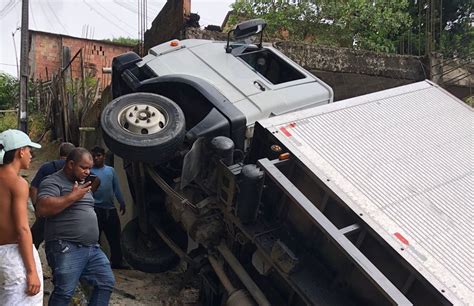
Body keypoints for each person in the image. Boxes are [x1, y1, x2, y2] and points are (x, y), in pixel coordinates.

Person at [36, 147, 115, 306]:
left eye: (90, 168)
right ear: (71, 164)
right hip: (66, 245)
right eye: (84, 167)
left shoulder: (83, 182)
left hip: (91, 247)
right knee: (65, 292)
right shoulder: (53, 181)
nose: (88, 172)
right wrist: (73, 196)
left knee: (105, 282)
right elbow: (42, 209)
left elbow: (96, 182)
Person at [0, 129, 43, 305]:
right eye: (29, 149)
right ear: (20, 151)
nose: (31, 155)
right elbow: (23, 229)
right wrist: (31, 271)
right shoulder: (18, 183)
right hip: (14, 257)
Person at [29, 142, 75, 249]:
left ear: (59, 153)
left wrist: (37, 207)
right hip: (69, 214)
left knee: (31, 242)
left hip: (47, 212)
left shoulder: (47, 168)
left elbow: (33, 188)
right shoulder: (76, 169)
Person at [90, 146, 128, 269]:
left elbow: (116, 188)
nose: (96, 158)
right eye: (94, 156)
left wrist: (121, 202)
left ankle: (117, 262)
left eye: (99, 156)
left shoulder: (110, 171)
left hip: (110, 209)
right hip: (95, 209)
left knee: (115, 237)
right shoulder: (89, 172)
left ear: (104, 157)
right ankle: (96, 264)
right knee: (95, 238)